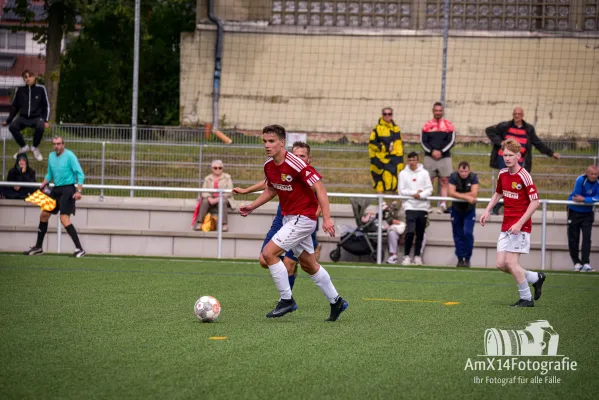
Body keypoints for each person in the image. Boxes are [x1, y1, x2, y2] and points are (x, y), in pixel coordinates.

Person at [239, 125, 347, 321]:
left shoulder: (296, 164)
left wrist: (327, 218)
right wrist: (252, 206)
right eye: (264, 141)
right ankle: (336, 301)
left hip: (303, 218)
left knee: (268, 254)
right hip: (290, 217)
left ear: (282, 143)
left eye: (271, 141)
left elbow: (320, 189)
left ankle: (286, 300)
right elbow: (272, 189)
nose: (267, 145)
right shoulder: (268, 165)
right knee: (308, 263)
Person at [233, 141, 322, 290]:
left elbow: (321, 199)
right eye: (296, 155)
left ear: (309, 158)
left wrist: (315, 219)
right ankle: (296, 262)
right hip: (282, 218)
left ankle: (287, 299)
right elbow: (269, 184)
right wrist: (247, 191)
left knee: (288, 264)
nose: (298, 158)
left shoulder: (309, 176)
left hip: (301, 221)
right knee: (263, 260)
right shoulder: (285, 169)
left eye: (302, 156)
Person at [480, 139, 546, 307]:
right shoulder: (502, 173)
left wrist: (519, 223)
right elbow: (497, 194)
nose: (507, 158)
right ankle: (535, 278)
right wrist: (487, 210)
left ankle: (526, 299)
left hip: (520, 227)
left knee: (511, 263)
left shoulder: (524, 175)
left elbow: (535, 202)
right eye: (505, 155)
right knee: (501, 264)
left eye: (511, 155)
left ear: (518, 156)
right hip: (506, 225)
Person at [486, 106, 560, 215]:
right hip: (503, 159)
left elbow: (538, 143)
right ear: (513, 115)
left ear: (522, 115)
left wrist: (551, 153)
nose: (517, 116)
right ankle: (496, 207)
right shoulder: (505, 126)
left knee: (516, 185)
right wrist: (500, 142)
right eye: (515, 114)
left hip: (519, 161)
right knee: (504, 182)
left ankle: (515, 206)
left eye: (519, 114)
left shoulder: (528, 129)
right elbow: (489, 130)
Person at [23, 136, 86, 257]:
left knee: (64, 219)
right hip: (56, 189)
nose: (56, 146)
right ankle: (38, 248)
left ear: (63, 144)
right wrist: (45, 182)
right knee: (44, 215)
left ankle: (79, 249)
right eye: (54, 144)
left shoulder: (70, 156)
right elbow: (50, 173)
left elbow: (80, 174)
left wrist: (79, 191)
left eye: (58, 144)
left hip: (68, 189)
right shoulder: (51, 156)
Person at [1, 70, 50, 162]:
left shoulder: (41, 89)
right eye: (25, 77)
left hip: (36, 117)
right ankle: (24, 147)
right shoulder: (20, 90)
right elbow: (14, 107)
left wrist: (45, 120)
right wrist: (8, 120)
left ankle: (35, 148)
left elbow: (46, 105)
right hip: (23, 118)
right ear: (24, 79)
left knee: (40, 126)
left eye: (29, 76)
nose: (28, 79)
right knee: (12, 127)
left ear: (34, 77)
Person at [398, 152, 433, 266]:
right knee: (410, 231)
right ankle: (406, 256)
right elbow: (401, 191)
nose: (411, 162)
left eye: (413, 160)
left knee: (420, 232)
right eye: (409, 160)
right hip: (410, 206)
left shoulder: (424, 173)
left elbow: (429, 189)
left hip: (422, 207)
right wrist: (413, 194)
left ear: (417, 160)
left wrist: (421, 195)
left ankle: (417, 256)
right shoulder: (403, 174)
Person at [421, 102, 455, 213]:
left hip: (444, 157)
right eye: (436, 110)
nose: (438, 112)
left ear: (442, 111)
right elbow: (423, 142)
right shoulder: (427, 125)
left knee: (444, 181)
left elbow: (451, 141)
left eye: (440, 110)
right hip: (429, 157)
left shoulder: (449, 125)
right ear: (433, 111)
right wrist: (432, 152)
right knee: (428, 181)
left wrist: (441, 152)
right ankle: (427, 204)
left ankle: (443, 205)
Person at [567, 164, 599, 272]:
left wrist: (585, 199)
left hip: (588, 213)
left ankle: (586, 263)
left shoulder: (598, 182)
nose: (594, 176)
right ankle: (576, 263)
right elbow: (577, 196)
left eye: (596, 174)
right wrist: (591, 199)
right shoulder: (581, 179)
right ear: (587, 173)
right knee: (573, 238)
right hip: (574, 211)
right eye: (592, 174)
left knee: (587, 238)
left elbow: (595, 198)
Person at [448, 161, 479, 267]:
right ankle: (460, 259)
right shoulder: (453, 177)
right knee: (458, 235)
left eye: (465, 171)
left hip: (469, 210)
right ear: (458, 170)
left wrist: (458, 194)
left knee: (467, 233)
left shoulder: (473, 177)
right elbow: (450, 192)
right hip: (456, 209)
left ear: (469, 170)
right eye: (461, 171)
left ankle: (468, 257)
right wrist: (467, 197)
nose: (464, 173)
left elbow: (474, 193)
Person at [193, 160, 236, 232]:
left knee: (222, 202)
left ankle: (224, 225)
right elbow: (204, 191)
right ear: (212, 169)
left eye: (220, 168)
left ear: (223, 168)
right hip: (211, 198)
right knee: (204, 201)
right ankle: (199, 223)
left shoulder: (227, 177)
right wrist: (209, 198)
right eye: (215, 168)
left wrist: (219, 198)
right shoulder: (207, 178)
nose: (218, 170)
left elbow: (230, 191)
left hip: (224, 198)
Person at [369, 107, 404, 193]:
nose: (387, 116)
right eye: (385, 114)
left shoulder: (396, 128)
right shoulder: (377, 128)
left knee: (395, 181)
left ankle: (394, 203)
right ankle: (382, 204)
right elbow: (372, 143)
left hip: (395, 158)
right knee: (380, 181)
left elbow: (399, 144)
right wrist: (386, 148)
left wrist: (399, 158)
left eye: (389, 114)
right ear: (382, 115)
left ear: (392, 115)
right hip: (381, 159)